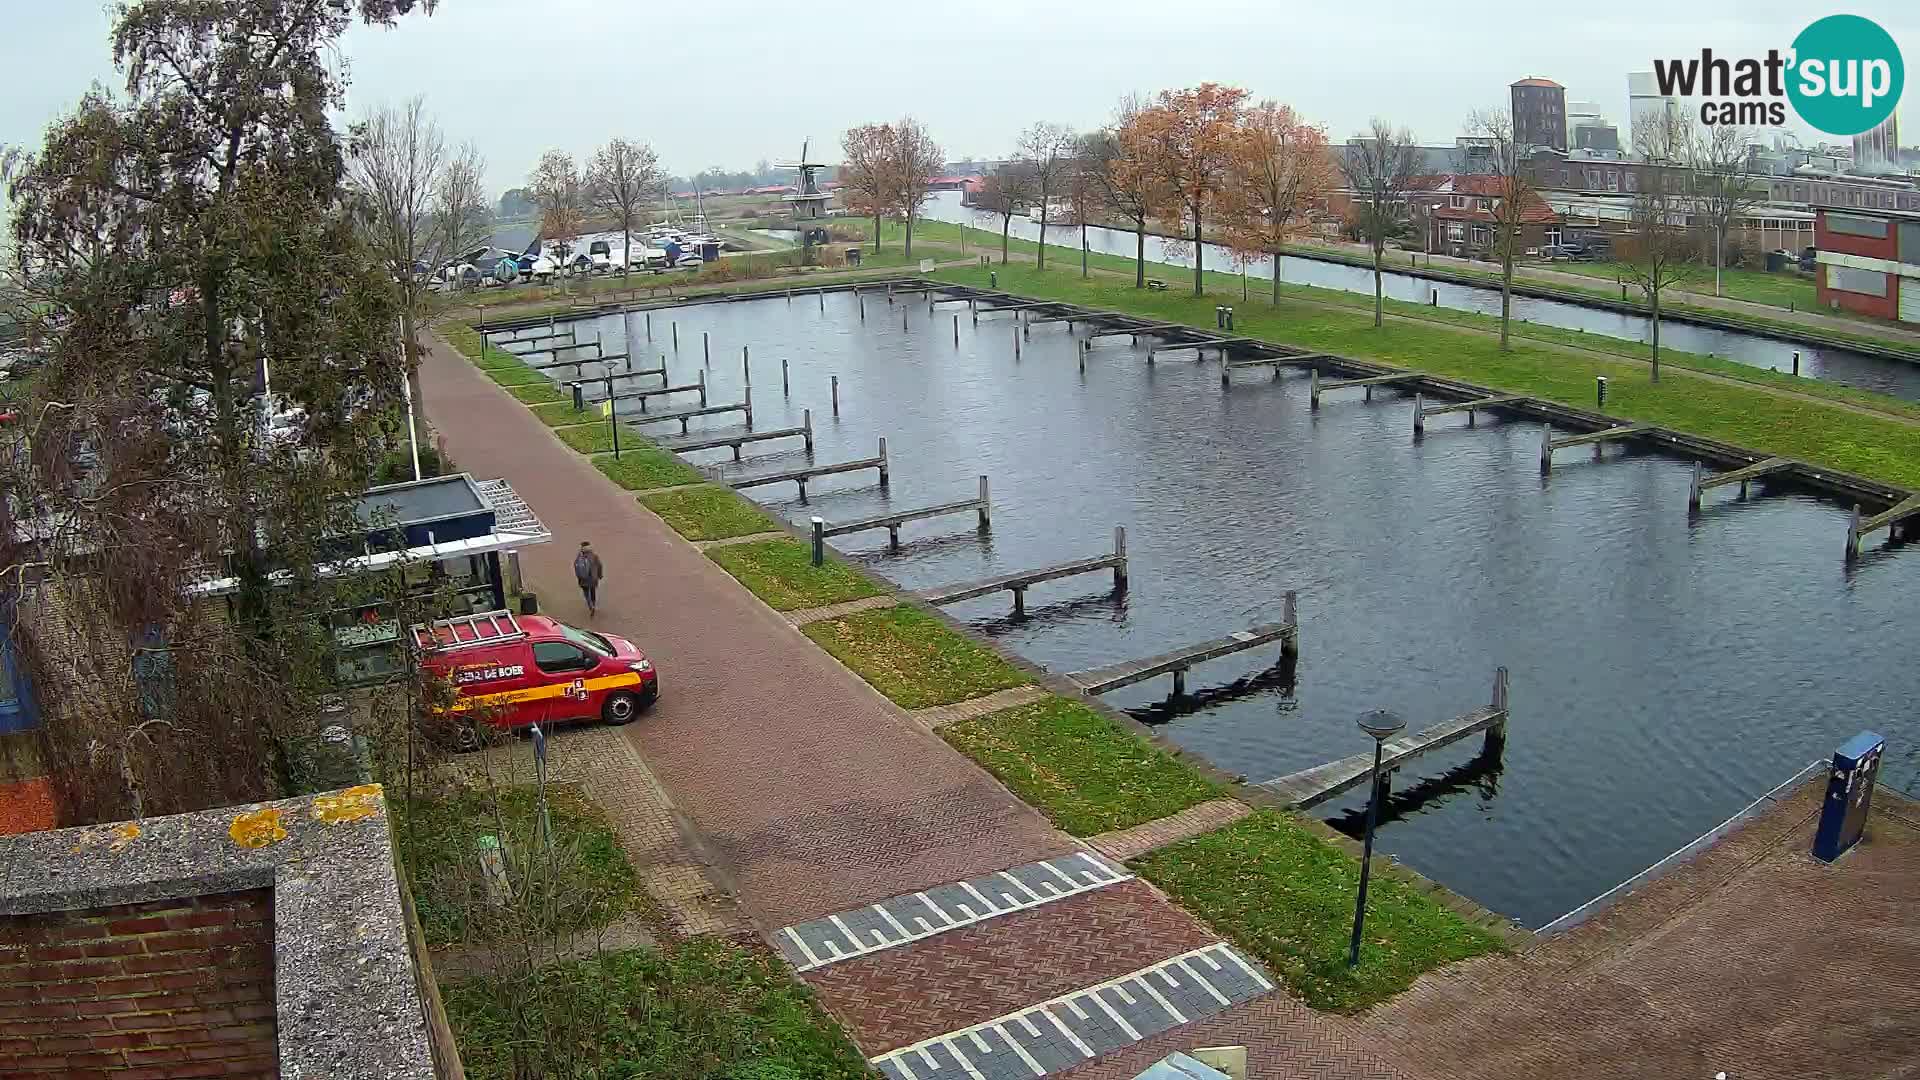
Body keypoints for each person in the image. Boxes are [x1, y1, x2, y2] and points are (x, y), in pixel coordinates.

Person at [573, 540, 604, 616]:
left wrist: (578, 576)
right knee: (593, 591)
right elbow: (599, 565)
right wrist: (600, 575)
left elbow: (575, 566)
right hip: (593, 578)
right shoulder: (594, 556)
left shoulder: (579, 556)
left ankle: (590, 605)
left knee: (586, 593)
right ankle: (593, 604)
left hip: (583, 579)